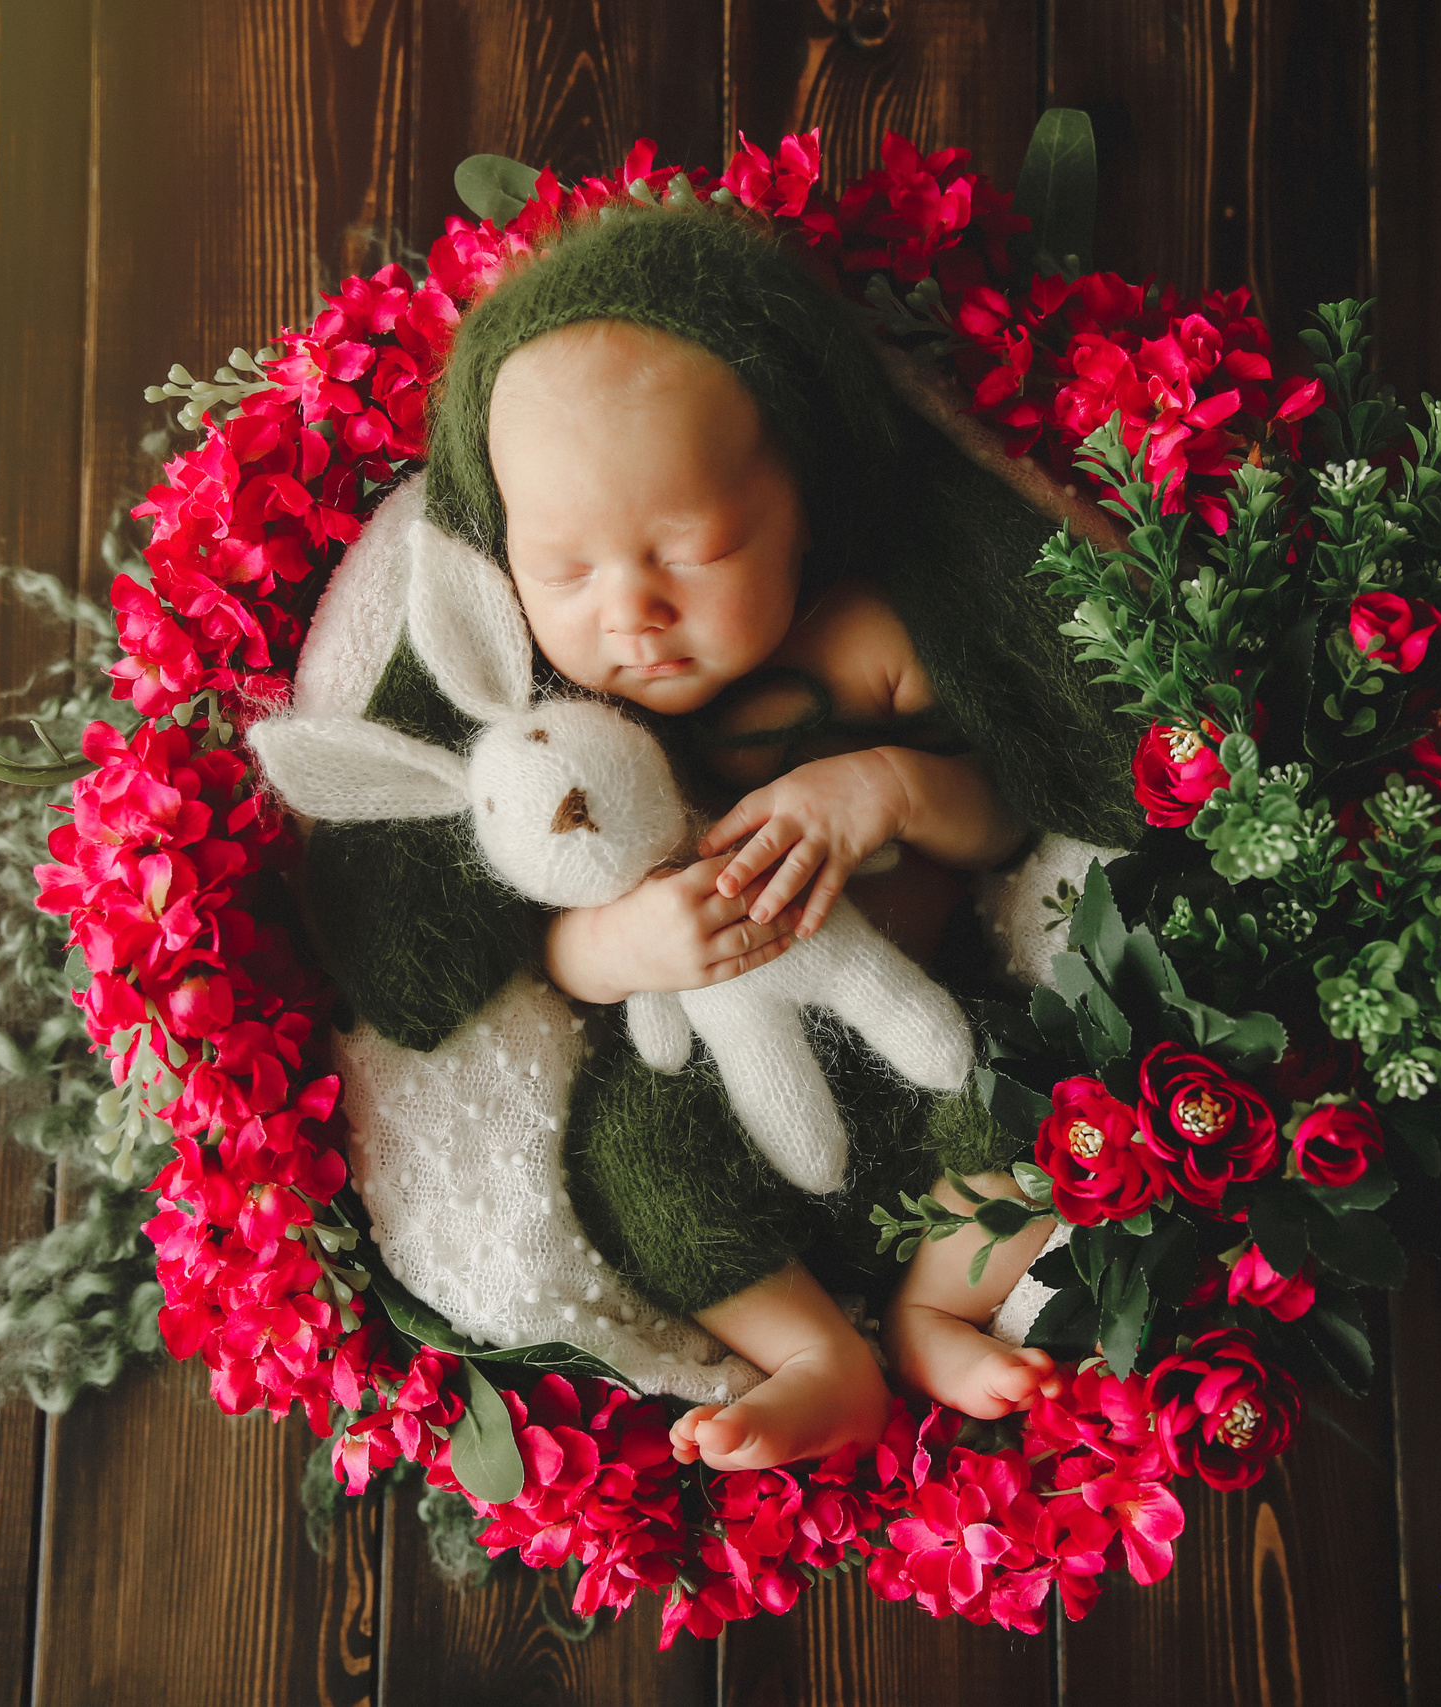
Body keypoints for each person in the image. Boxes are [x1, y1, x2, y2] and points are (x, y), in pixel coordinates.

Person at [304, 205, 1147, 1470]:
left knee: (1036, 1096)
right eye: (565, 570)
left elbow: (1011, 819)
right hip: (708, 1087)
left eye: (691, 550)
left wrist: (893, 791)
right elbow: (546, 956)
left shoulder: (875, 639)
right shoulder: (552, 725)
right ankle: (814, 1352)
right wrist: (623, 943)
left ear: (802, 508)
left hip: (931, 1019)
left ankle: (934, 1302)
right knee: (629, 1158)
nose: (630, 612)